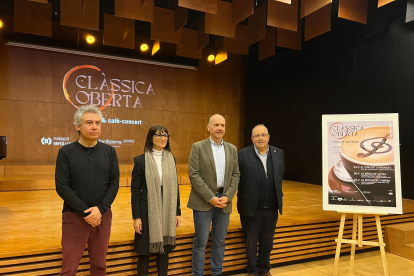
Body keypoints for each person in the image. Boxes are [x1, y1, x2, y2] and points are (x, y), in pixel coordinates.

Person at [55, 104, 120, 276]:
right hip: (74, 216)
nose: (94, 127)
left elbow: (114, 183)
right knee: (69, 269)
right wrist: (87, 212)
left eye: (98, 123)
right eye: (89, 122)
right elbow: (62, 186)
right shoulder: (66, 152)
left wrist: (100, 209)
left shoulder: (110, 152)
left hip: (103, 216)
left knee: (99, 266)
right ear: (78, 126)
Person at [187, 114, 240, 276]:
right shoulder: (198, 147)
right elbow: (193, 175)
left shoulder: (232, 149)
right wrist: (211, 197)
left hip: (224, 201)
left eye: (222, 125)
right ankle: (198, 274)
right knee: (200, 242)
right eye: (216, 125)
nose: (220, 128)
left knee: (219, 242)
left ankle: (217, 273)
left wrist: (229, 196)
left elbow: (236, 175)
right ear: (208, 127)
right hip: (204, 201)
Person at [131, 124, 181, 276]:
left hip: (167, 209)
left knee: (163, 251)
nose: (162, 138)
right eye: (158, 135)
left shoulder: (171, 159)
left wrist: (177, 212)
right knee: (145, 252)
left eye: (165, 135)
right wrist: (136, 217)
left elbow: (175, 187)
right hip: (147, 211)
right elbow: (135, 191)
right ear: (151, 138)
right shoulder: (141, 161)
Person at [237, 124, 285, 276]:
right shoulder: (242, 154)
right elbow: (237, 178)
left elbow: (279, 176)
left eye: (263, 135)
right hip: (251, 208)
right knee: (251, 242)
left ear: (268, 137)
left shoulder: (279, 153)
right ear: (252, 139)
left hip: (271, 207)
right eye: (257, 136)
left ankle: (264, 269)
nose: (260, 138)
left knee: (267, 242)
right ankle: (252, 270)